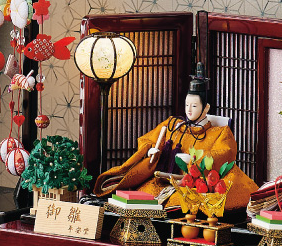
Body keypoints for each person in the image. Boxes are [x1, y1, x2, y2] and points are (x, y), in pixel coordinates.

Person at [93, 64, 257, 209]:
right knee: (143, 195)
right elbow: (148, 139)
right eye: (187, 105)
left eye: (194, 106)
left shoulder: (220, 132)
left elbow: (224, 153)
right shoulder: (174, 125)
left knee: (182, 202)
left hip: (191, 184)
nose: (189, 110)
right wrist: (151, 150)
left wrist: (193, 160)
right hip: (161, 180)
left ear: (206, 108)